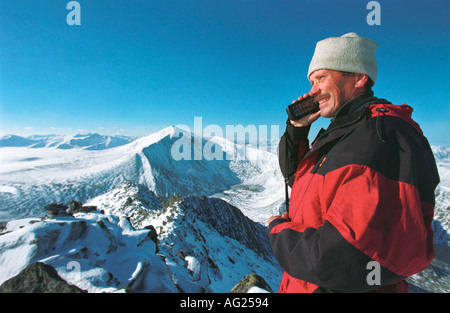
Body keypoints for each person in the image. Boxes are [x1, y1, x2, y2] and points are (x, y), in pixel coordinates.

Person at [267, 32, 440, 293]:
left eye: (321, 78)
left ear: (359, 77)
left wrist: (280, 232)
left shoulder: (380, 135)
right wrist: (296, 129)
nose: (313, 91)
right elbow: (298, 179)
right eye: (312, 81)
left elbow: (342, 257)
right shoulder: (348, 132)